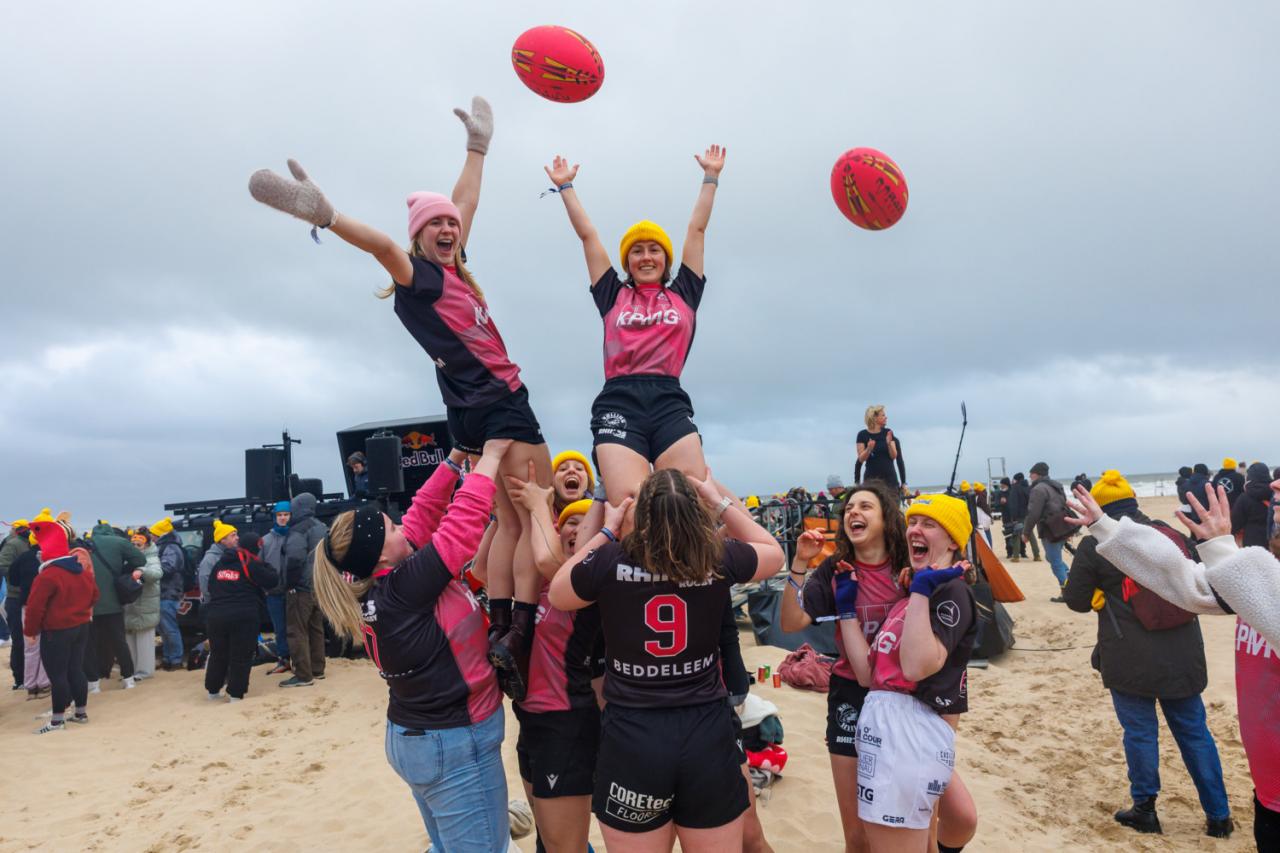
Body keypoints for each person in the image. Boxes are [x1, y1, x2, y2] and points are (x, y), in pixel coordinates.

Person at [251, 99, 553, 703]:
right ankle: (524, 627)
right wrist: (330, 216)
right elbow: (384, 246)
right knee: (529, 515)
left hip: (470, 404)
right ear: (420, 237)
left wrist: (478, 148)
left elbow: (461, 205)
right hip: (498, 400)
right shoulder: (422, 276)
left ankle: (507, 622)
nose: (448, 230)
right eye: (435, 227)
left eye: (450, 228)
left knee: (509, 521)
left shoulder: (452, 270)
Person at [548, 467, 784, 851]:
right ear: (695, 512)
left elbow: (559, 592)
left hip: (633, 734)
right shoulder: (717, 557)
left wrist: (607, 530)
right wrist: (718, 501)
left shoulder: (611, 560)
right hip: (705, 731)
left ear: (638, 515)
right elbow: (773, 551)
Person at [311, 438, 513, 852]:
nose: (403, 527)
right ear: (381, 556)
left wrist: (456, 459)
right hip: (452, 741)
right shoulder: (404, 591)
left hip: (419, 736)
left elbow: (422, 515)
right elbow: (458, 531)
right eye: (392, 528)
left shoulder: (381, 581)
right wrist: (488, 460)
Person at [1066, 483, 1280, 851]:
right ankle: (1218, 813)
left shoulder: (1097, 549)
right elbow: (1193, 582)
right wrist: (1104, 526)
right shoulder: (1171, 534)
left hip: (1128, 658)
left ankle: (1145, 806)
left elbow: (1076, 599)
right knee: (1194, 733)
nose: (1274, 486)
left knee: (1140, 733)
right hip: (1184, 661)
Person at [782, 481, 980, 853]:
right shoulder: (837, 570)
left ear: (886, 516)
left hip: (911, 701)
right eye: (849, 508)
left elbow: (940, 658)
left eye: (865, 506)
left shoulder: (911, 566)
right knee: (859, 835)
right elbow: (791, 624)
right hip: (856, 690)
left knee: (942, 819)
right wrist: (798, 564)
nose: (853, 513)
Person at [543, 147, 723, 503]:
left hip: (669, 399)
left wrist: (711, 178)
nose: (645, 257)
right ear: (627, 260)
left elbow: (697, 229)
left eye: (653, 250)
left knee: (690, 497)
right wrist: (566, 188)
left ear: (665, 259)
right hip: (620, 401)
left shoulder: (684, 292)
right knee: (628, 503)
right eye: (636, 251)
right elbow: (589, 238)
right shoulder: (613, 294)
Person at [24, 517, 98, 734]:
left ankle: (57, 721)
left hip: (56, 631)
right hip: (81, 626)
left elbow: (35, 607)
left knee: (57, 675)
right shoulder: (81, 572)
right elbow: (95, 595)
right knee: (76, 669)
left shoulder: (47, 576)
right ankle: (80, 713)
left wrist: (30, 631)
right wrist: (81, 609)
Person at [204, 524, 278, 702]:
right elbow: (272, 580)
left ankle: (212, 691)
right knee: (241, 655)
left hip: (216, 615)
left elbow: (210, 587)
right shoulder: (250, 563)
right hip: (244, 615)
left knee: (218, 653)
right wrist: (263, 563)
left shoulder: (220, 564)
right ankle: (236, 694)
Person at [84, 520, 146, 691]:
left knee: (91, 644)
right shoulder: (119, 542)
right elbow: (140, 559)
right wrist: (123, 570)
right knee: (119, 642)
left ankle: (94, 683)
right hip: (113, 602)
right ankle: (128, 678)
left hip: (88, 604)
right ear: (110, 532)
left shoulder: (83, 546)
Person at [281, 493, 327, 688]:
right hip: (319, 585)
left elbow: (294, 559)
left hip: (301, 587)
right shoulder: (322, 527)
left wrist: (289, 584)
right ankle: (318, 669)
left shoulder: (299, 529)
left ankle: (303, 675)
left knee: (297, 630)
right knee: (316, 627)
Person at [1024, 462, 1071, 599]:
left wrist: (1026, 533)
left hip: (1050, 529)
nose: (1029, 476)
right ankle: (1070, 581)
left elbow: (1033, 513)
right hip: (1062, 526)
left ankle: (1067, 593)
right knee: (1052, 558)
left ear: (1037, 474)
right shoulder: (1056, 485)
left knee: (1055, 562)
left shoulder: (1038, 489)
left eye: (1031, 473)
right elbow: (1064, 505)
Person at [124, 529, 163, 680]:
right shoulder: (128, 558)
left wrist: (141, 571)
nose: (135, 546)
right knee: (130, 641)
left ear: (146, 545)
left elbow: (156, 573)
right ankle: (133, 670)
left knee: (145, 641)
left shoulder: (152, 559)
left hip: (146, 605)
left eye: (138, 544)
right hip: (131, 605)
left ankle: (145, 672)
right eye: (132, 544)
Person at [259, 500, 292, 674]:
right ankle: (283, 659)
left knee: (297, 628)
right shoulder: (265, 540)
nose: (283, 518)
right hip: (273, 592)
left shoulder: (296, 536)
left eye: (286, 514)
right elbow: (259, 565)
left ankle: (300, 660)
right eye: (279, 515)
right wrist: (265, 587)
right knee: (279, 628)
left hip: (294, 590)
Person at [151, 517, 187, 670]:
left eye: (153, 534)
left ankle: (176, 660)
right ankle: (168, 658)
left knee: (170, 628)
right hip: (164, 593)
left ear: (160, 535)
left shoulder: (170, 548)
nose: (151, 537)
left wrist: (151, 570)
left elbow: (169, 568)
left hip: (168, 594)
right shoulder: (167, 547)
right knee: (164, 630)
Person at [2, 519, 31, 688]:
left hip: (25, 597)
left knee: (29, 641)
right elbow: (3, 565)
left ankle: (26, 678)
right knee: (20, 640)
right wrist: (20, 579)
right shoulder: (12, 545)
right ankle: (20, 679)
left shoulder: (24, 544)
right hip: (16, 598)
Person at [855, 405, 907, 495]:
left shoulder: (888, 432)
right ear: (874, 418)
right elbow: (860, 460)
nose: (886, 417)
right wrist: (868, 449)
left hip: (890, 481)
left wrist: (889, 443)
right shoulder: (862, 435)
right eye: (883, 415)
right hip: (871, 482)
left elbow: (894, 456)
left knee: (892, 508)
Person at [1232, 462, 1273, 548]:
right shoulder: (1276, 493)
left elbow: (1236, 521)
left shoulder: (1244, 497)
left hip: (1252, 539)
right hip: (1274, 537)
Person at [551, 450, 595, 514]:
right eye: (563, 469)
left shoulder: (601, 516)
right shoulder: (541, 513)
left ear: (588, 483)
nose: (571, 470)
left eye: (579, 468)